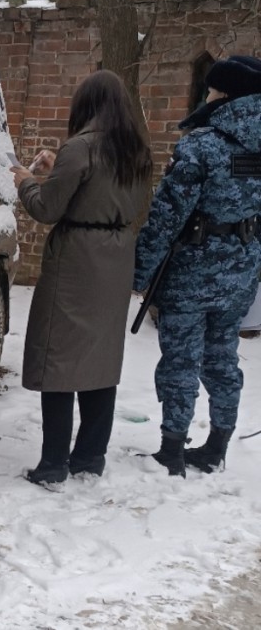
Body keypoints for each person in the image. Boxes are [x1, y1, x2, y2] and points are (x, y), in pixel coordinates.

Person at [11, 70, 152, 486]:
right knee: (100, 359)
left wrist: (27, 182)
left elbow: (47, 208)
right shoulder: (136, 151)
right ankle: (90, 456)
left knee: (59, 356)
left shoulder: (80, 147)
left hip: (76, 261)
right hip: (116, 257)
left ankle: (53, 463)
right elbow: (99, 188)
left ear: (85, 104)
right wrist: (58, 168)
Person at [134, 55, 261, 477]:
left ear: (224, 95)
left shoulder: (201, 145)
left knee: (181, 360)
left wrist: (139, 272)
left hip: (191, 273)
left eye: (211, 90)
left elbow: (166, 217)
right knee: (222, 357)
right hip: (241, 272)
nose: (206, 96)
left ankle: (172, 449)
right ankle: (217, 446)